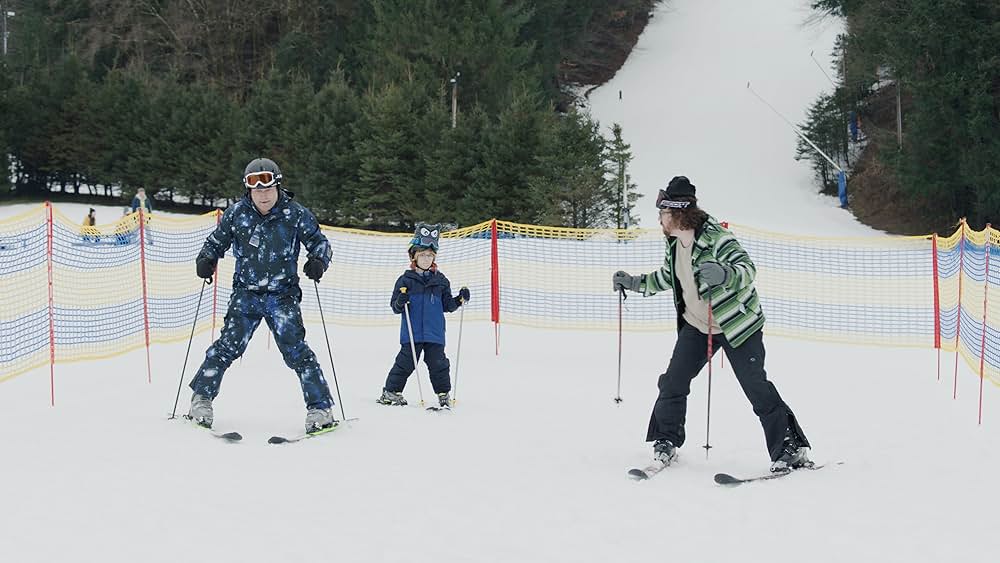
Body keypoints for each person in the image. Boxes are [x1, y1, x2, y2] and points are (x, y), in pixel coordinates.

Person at [612, 175, 811, 473]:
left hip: (737, 325)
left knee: (756, 387)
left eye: (663, 213)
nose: (660, 219)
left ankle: (790, 449)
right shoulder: (675, 242)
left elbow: (747, 268)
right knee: (673, 381)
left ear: (677, 213)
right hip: (697, 325)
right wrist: (635, 282)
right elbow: (668, 277)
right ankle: (666, 440)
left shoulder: (717, 238)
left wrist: (725, 274)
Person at [187, 157, 336, 434]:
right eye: (257, 189)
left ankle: (320, 408)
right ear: (249, 190)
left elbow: (320, 243)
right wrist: (206, 258)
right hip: (247, 295)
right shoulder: (237, 214)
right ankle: (201, 401)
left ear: (278, 186)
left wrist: (318, 261)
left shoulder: (295, 214)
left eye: (268, 188)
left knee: (297, 352)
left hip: (283, 296)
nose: (263, 194)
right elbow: (216, 241)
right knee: (226, 348)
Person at [377, 223, 470, 409]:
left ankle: (443, 393)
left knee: (438, 363)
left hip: (434, 332)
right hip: (413, 333)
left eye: (430, 255)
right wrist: (401, 301)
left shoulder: (441, 281)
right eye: (422, 255)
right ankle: (391, 391)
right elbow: (395, 307)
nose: (426, 259)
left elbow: (447, 305)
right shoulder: (405, 280)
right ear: (414, 256)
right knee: (406, 362)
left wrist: (460, 299)